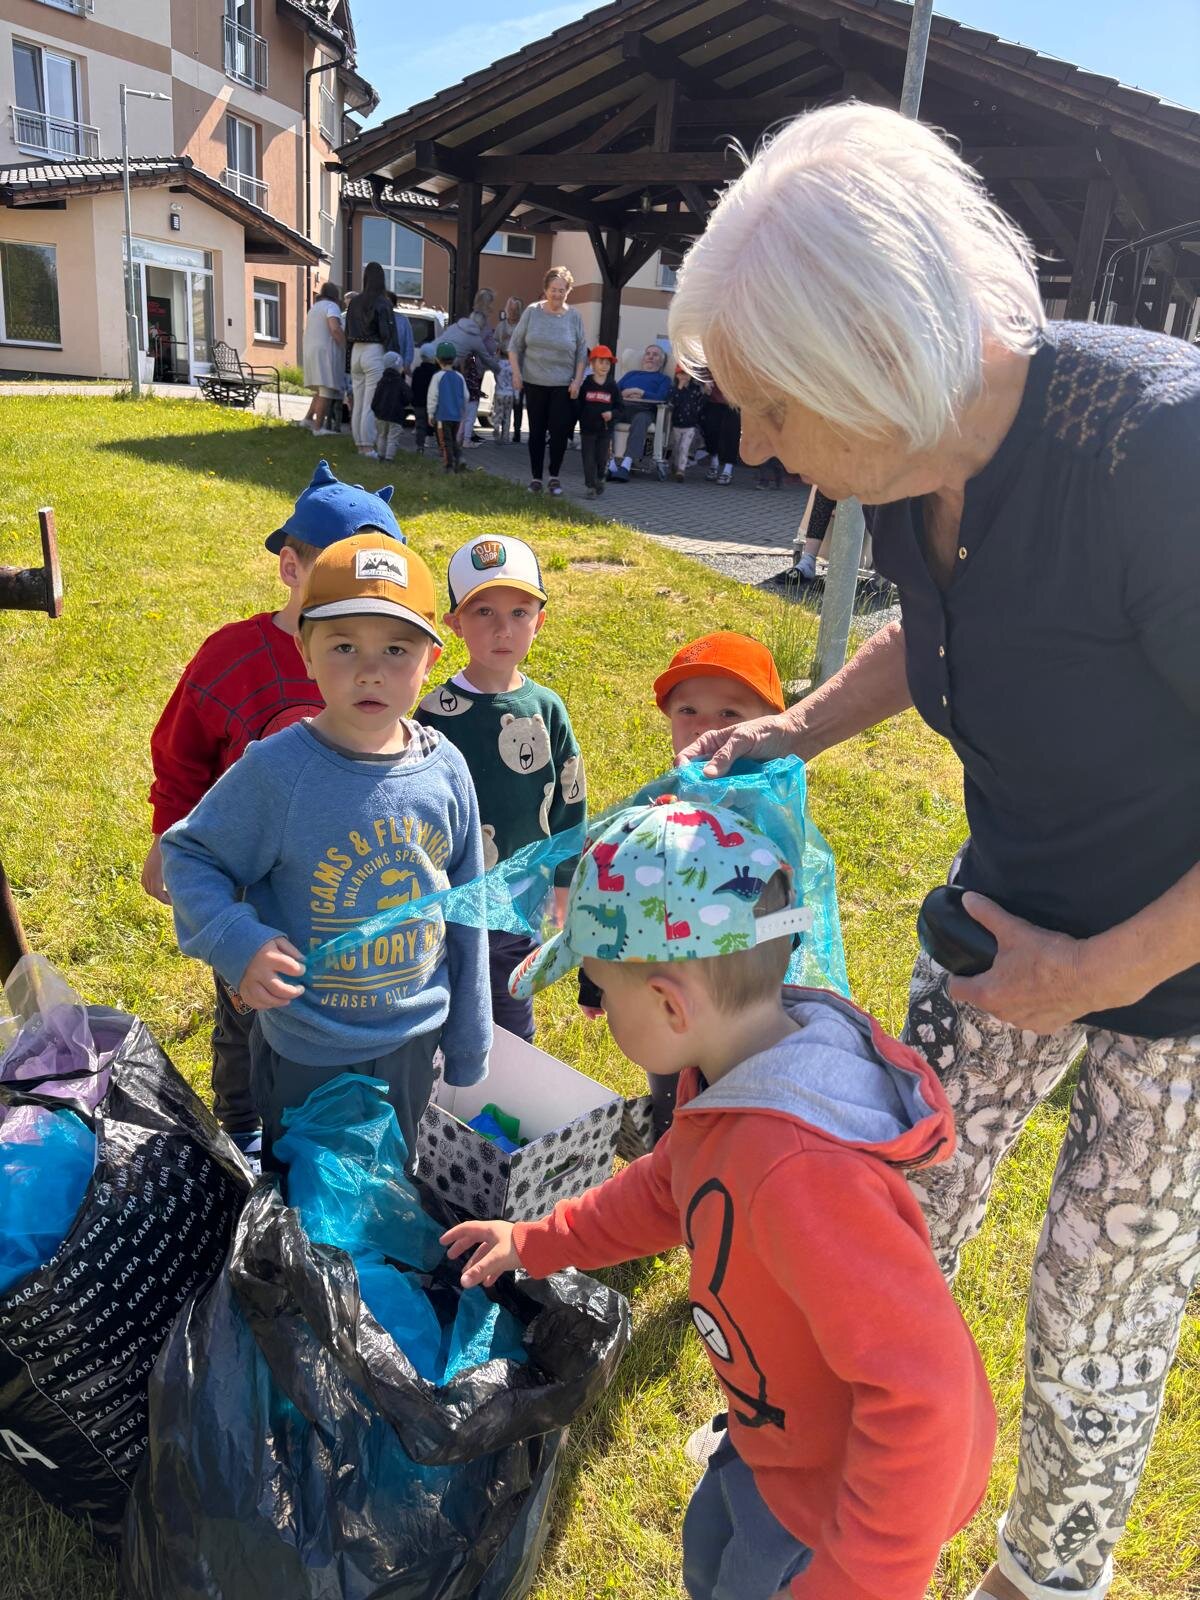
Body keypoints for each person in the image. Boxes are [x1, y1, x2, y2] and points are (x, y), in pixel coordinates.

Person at [668, 101, 1200, 1600]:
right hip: (1004, 919)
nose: (752, 443)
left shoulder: (1162, 454)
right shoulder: (915, 461)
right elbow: (943, 625)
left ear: (870, 347)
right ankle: (821, 1456)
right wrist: (795, 733)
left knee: (1098, 1303)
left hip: (1178, 985)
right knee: (878, 1209)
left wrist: (1096, 972)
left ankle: (1041, 1575)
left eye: (769, 402)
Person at [443, 796, 996, 1600]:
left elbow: (925, 1397)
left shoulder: (801, 1173)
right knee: (712, 1551)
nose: (595, 1013)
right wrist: (533, 1241)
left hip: (833, 1507)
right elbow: (668, 1188)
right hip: (774, 1438)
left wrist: (860, 1581)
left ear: (671, 1005)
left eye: (599, 991)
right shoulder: (733, 1081)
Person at [161, 533, 492, 1168]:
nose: (370, 670)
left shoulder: (448, 771)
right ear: (304, 652)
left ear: (431, 659)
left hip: (412, 1040)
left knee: (390, 1180)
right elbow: (191, 856)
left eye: (396, 649)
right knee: (305, 1193)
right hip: (307, 1049)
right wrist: (239, 942)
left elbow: (468, 910)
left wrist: (469, 1037)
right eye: (344, 646)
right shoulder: (278, 770)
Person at [141, 462, 408, 1160]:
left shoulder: (387, 667)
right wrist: (169, 833)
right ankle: (240, 1129)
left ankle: (329, 1128)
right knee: (245, 1012)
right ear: (291, 567)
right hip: (248, 887)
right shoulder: (233, 657)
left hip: (346, 886)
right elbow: (182, 753)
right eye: (335, 569)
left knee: (331, 1013)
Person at [578, 630, 787, 1145]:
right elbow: (617, 899)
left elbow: (790, 916)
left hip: (740, 1009)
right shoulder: (661, 810)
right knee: (673, 1102)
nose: (705, 726)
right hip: (664, 1008)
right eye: (688, 710)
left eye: (730, 713)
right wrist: (596, 982)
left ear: (770, 724)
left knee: (737, 1117)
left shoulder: (771, 815)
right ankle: (670, 1150)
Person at [415, 535, 585, 1043]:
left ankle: (510, 1073)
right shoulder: (436, 713)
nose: (502, 628)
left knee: (511, 1010)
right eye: (483, 611)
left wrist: (565, 879)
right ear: (455, 623)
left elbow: (569, 797)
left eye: (519, 612)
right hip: (452, 903)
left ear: (540, 620)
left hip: (520, 901)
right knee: (445, 1006)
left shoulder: (546, 708)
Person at [508, 267, 588, 495]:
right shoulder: (532, 312)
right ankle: (536, 478)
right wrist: (516, 374)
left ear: (568, 291)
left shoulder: (574, 317)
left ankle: (554, 476)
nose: (557, 294)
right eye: (553, 289)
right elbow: (514, 346)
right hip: (534, 382)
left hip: (563, 385)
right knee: (536, 431)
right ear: (545, 289)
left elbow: (582, 352)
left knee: (559, 431)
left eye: (562, 290)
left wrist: (577, 381)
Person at [345, 261, 400, 456]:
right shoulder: (383, 303)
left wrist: (347, 362)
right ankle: (367, 446)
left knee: (359, 402)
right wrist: (395, 359)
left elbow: (347, 332)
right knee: (370, 403)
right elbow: (388, 333)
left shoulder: (354, 302)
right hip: (375, 351)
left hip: (356, 350)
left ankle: (361, 444)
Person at [607, 344, 672, 481]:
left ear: (661, 362)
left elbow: (662, 397)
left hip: (645, 410)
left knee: (640, 419)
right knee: (608, 417)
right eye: (648, 353)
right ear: (643, 358)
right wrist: (624, 393)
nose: (650, 357)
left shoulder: (663, 379)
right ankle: (610, 464)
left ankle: (626, 465)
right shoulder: (631, 374)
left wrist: (640, 392)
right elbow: (614, 391)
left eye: (655, 355)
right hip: (623, 407)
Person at [575, 345, 624, 497]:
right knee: (588, 459)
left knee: (601, 458)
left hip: (605, 430)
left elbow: (620, 408)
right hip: (587, 429)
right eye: (601, 362)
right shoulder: (586, 384)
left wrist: (611, 414)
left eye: (607, 363)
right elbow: (579, 405)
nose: (604, 366)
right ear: (592, 364)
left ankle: (600, 477)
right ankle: (590, 486)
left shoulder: (612, 386)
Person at [301, 281, 344, 435]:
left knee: (320, 389)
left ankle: (307, 419)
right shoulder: (332, 307)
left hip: (311, 350)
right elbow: (334, 328)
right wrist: (345, 345)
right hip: (325, 352)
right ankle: (318, 428)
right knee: (326, 389)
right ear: (335, 296)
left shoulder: (314, 308)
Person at [427, 341, 467, 473]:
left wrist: (431, 413)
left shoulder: (437, 377)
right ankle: (460, 457)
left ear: (437, 359)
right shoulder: (460, 377)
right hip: (457, 416)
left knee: (445, 441)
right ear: (454, 359)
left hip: (442, 415)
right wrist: (462, 410)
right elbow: (466, 396)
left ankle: (448, 466)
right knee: (453, 439)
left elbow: (433, 396)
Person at [667, 364, 708, 480]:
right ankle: (674, 464)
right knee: (675, 447)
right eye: (681, 374)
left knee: (684, 447)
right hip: (676, 424)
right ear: (677, 375)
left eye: (686, 374)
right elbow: (671, 403)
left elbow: (701, 403)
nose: (684, 377)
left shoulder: (695, 389)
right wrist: (679, 388)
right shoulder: (673, 389)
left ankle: (681, 470)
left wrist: (706, 394)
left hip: (690, 425)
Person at [371, 351, 409, 463]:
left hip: (381, 414)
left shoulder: (381, 381)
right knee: (393, 437)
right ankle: (389, 458)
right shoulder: (400, 382)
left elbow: (376, 398)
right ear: (398, 366)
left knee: (382, 435)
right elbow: (408, 397)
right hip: (396, 415)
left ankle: (380, 455)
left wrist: (376, 409)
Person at [701, 380, 741, 485]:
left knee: (731, 435)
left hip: (734, 401)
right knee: (711, 432)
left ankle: (728, 469)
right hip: (714, 400)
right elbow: (702, 372)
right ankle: (714, 463)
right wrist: (704, 382)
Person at [496, 296, 524, 441]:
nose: (513, 313)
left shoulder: (523, 326)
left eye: (516, 310)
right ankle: (502, 430)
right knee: (502, 400)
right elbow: (494, 342)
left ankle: (517, 431)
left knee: (517, 401)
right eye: (511, 310)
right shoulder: (501, 326)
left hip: (519, 367)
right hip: (503, 364)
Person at [411, 341, 436, 455]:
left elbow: (414, 387)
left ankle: (420, 446)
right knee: (434, 423)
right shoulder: (435, 372)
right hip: (432, 403)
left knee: (420, 424)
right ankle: (434, 442)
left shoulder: (417, 371)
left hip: (419, 402)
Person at [491, 349, 516, 444]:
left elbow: (494, 374)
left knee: (498, 412)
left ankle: (496, 426)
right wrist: (517, 395)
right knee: (507, 415)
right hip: (509, 393)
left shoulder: (497, 365)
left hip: (499, 392)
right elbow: (516, 381)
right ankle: (505, 437)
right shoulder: (513, 366)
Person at [390, 295, 415, 374]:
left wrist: (407, 364)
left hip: (398, 367)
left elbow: (409, 343)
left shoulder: (402, 320)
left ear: (393, 304)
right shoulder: (376, 319)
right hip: (378, 366)